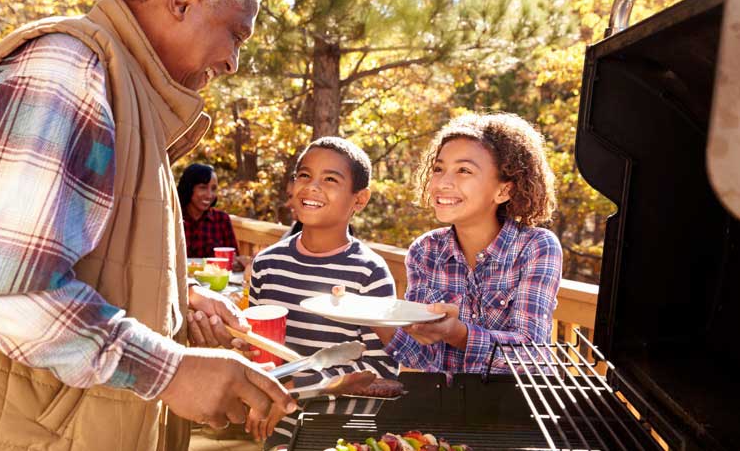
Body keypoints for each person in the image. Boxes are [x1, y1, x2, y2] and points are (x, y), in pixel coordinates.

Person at [0, 0, 296, 451]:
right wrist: (170, 371)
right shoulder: (63, 68)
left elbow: (80, 253)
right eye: (236, 34)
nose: (234, 61)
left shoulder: (120, 87)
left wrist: (176, 300)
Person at [373, 113, 562, 374]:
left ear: (503, 191)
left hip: (519, 408)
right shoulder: (425, 251)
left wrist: (459, 334)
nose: (442, 182)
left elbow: (529, 355)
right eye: (438, 169)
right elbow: (421, 357)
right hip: (448, 409)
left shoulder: (535, 247)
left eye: (464, 170)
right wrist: (371, 315)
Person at [247, 137, 400, 447]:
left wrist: (295, 388)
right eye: (304, 175)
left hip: (340, 432)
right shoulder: (267, 264)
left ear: (360, 199)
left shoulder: (369, 272)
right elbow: (256, 346)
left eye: (330, 179)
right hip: (275, 429)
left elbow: (383, 370)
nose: (312, 186)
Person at [177, 163, 240, 259]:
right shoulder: (173, 218)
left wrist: (239, 262)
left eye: (213, 189)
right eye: (203, 187)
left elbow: (234, 259)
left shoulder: (222, 219)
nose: (209, 195)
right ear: (189, 188)